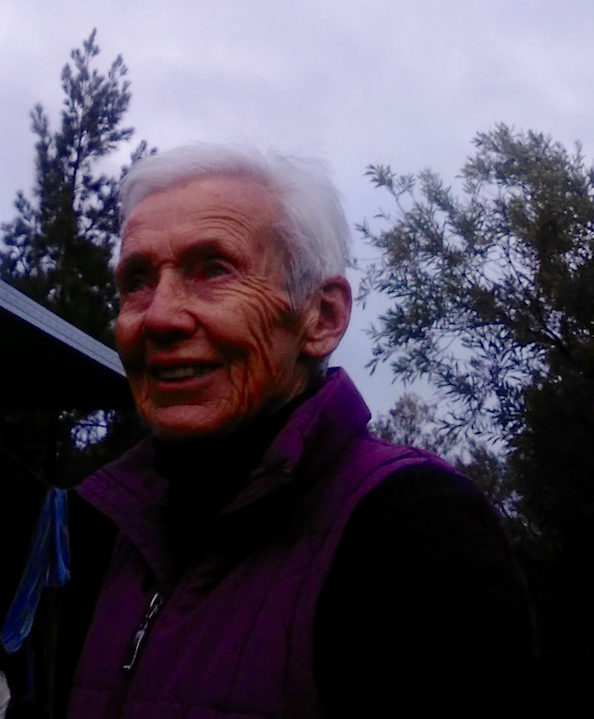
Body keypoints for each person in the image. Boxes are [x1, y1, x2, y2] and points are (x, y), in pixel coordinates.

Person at [54, 143, 537, 718]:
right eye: (137, 280)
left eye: (214, 270)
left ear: (321, 318)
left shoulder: (406, 526)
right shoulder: (95, 528)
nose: (158, 317)